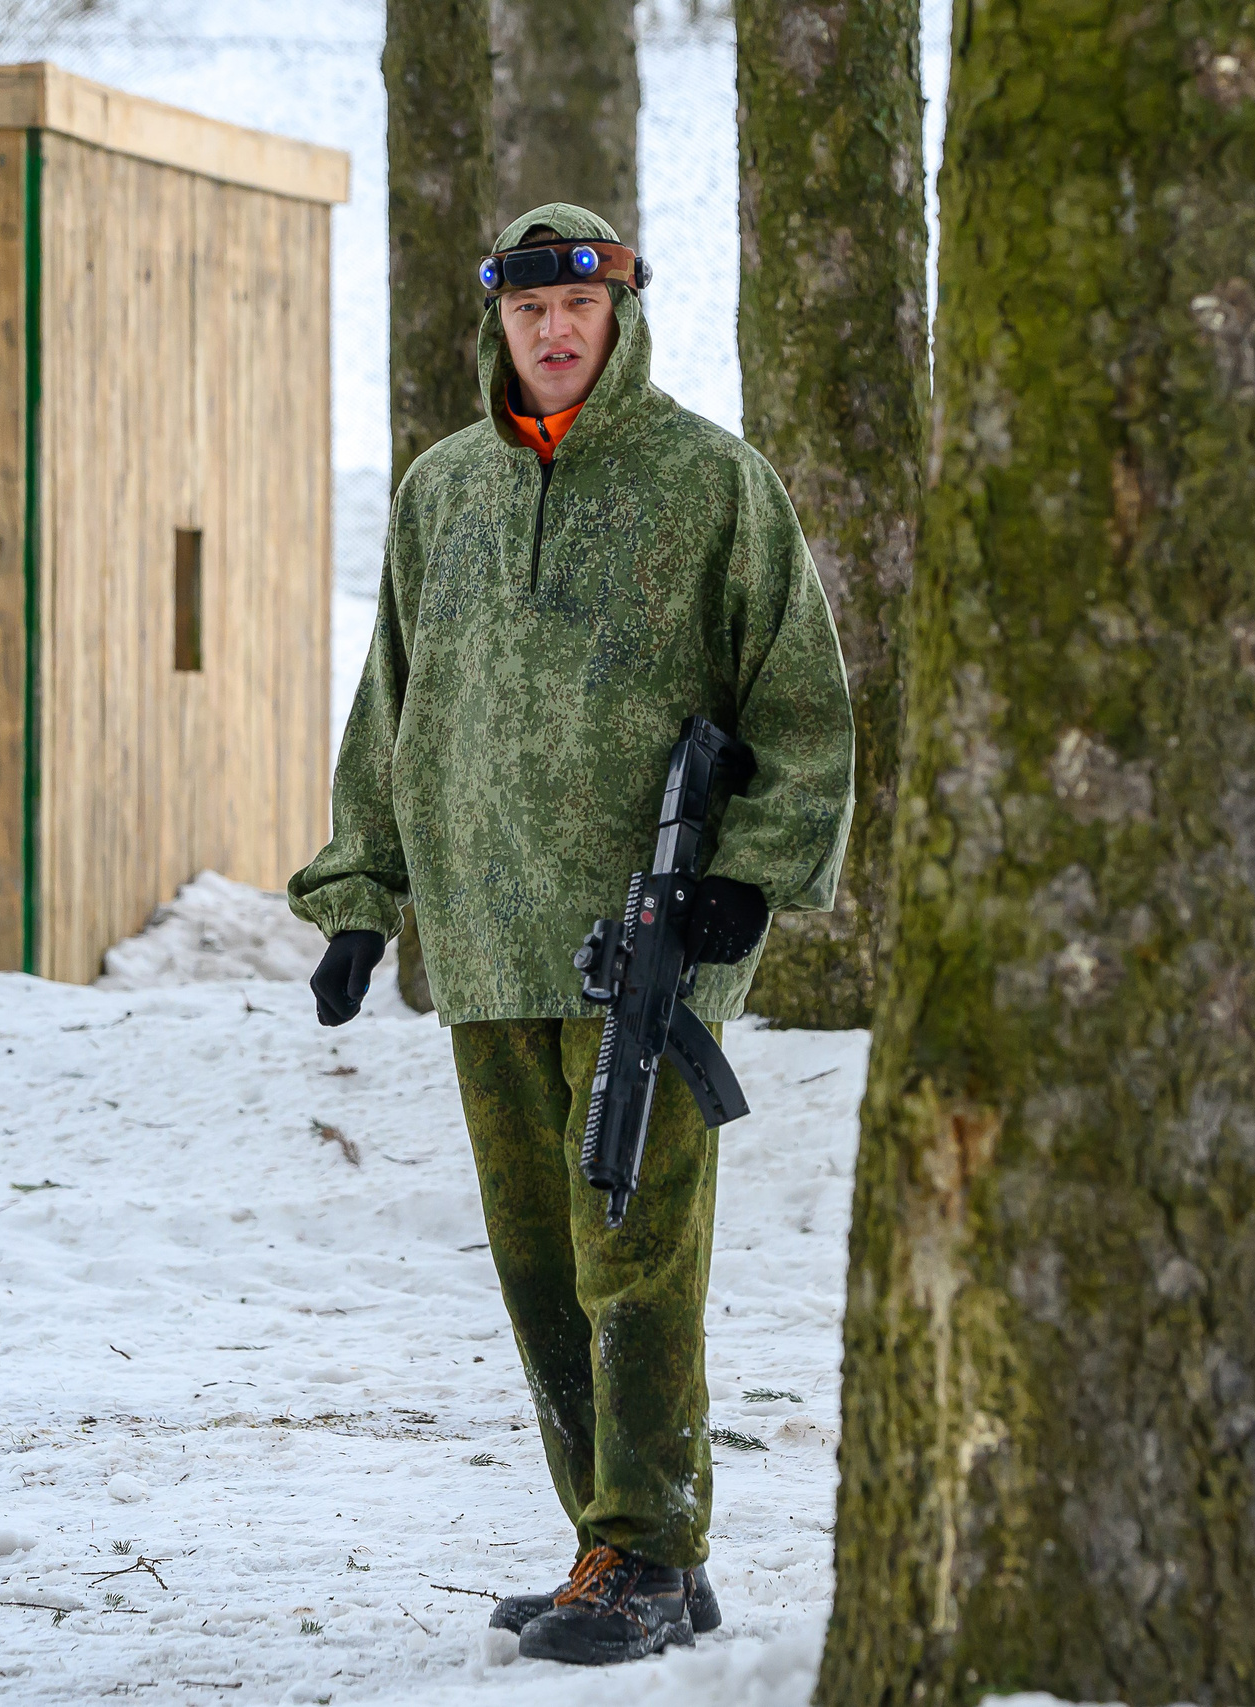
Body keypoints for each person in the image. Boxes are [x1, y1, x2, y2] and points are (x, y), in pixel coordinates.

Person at [286, 203, 855, 1666]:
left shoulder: (710, 484)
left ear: (622, 315)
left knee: (636, 1249)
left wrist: (757, 874)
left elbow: (802, 699)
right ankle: (613, 1538)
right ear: (501, 323)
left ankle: (654, 1544)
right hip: (484, 939)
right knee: (540, 1259)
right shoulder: (442, 491)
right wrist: (363, 894)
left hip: (646, 947)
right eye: (530, 310)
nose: (554, 331)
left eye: (579, 307)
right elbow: (390, 704)